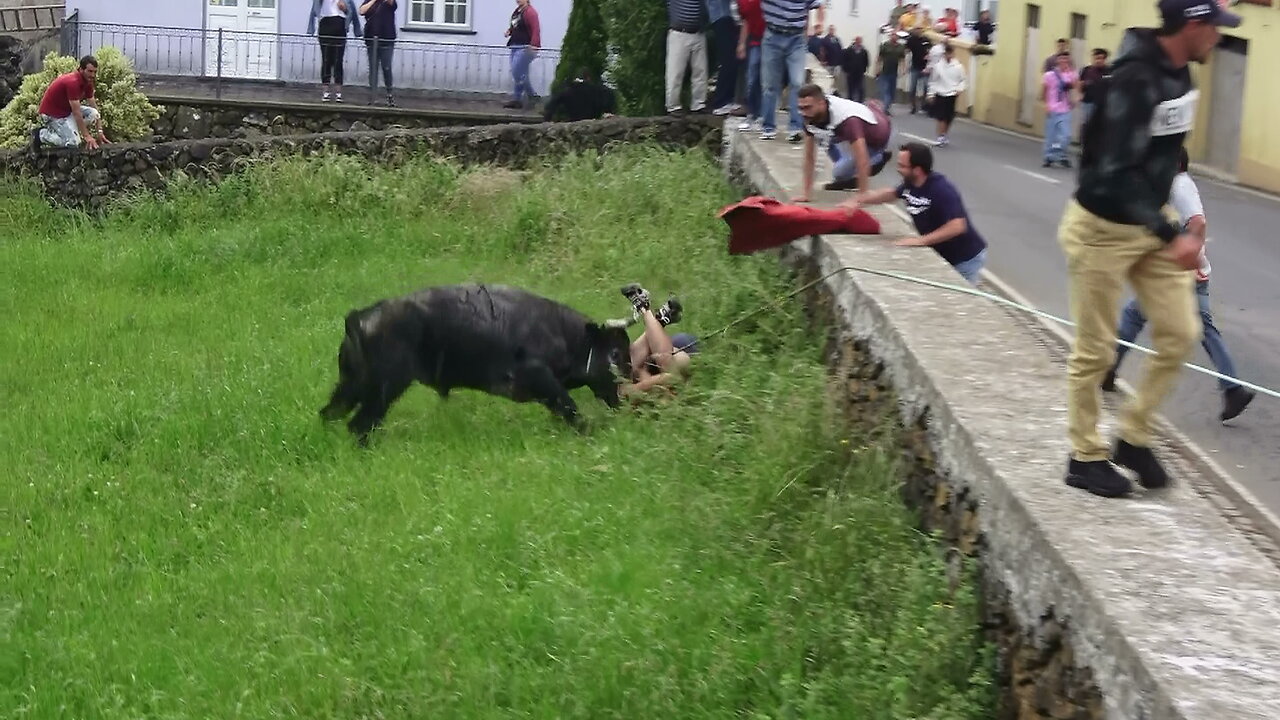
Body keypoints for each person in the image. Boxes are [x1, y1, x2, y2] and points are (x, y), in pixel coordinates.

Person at [1057, 0, 1241, 498]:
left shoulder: (1180, 74)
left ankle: (1134, 438)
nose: (1219, 39)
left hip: (1147, 220)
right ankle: (1084, 456)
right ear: (1193, 25)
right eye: (1216, 28)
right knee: (1095, 351)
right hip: (1101, 223)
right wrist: (1172, 235)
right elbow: (1113, 173)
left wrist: (1165, 225)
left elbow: (1160, 160)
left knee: (1180, 331)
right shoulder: (1137, 79)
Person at [1102, 147, 1255, 423]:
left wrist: (1188, 258)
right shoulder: (1174, 185)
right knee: (1198, 328)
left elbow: (1197, 222)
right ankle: (1233, 389)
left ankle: (1109, 370)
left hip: (1183, 274)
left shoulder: (1179, 185)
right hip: (1186, 272)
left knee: (1136, 315)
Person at [841, 142, 989, 285]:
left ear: (917, 170)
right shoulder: (911, 184)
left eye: (902, 166)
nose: (898, 169)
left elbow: (958, 226)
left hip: (965, 258)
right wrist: (859, 200)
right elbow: (891, 194)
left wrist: (920, 241)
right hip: (944, 253)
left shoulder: (941, 189)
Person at [794, 84, 893, 196]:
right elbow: (809, 157)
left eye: (807, 107)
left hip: (877, 136)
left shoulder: (848, 121)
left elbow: (862, 158)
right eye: (801, 108)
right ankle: (847, 165)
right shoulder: (811, 115)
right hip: (843, 129)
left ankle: (878, 158)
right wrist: (806, 193)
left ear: (821, 103)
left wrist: (862, 196)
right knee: (821, 136)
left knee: (839, 174)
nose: (803, 112)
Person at [758, 0, 825, 142]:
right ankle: (768, 127)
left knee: (797, 82)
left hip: (796, 39)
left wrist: (819, 22)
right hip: (772, 36)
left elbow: (819, 4)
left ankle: (795, 128)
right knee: (770, 85)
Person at [617, 284, 696, 399]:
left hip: (676, 351)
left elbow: (663, 380)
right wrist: (636, 388)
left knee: (629, 366)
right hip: (678, 347)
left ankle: (657, 318)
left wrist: (637, 385)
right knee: (665, 363)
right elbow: (669, 378)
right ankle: (646, 310)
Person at [32, 55, 108, 151]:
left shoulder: (88, 82)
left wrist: (100, 131)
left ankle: (70, 132)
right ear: (81, 69)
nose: (93, 75)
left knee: (94, 114)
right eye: (90, 71)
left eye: (95, 72)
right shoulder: (73, 82)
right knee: (73, 143)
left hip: (67, 111)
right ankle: (41, 135)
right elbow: (77, 113)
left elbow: (94, 107)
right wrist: (87, 136)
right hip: (52, 115)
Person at [308, 0, 362, 103]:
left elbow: (352, 12)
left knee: (338, 60)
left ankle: (338, 92)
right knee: (326, 59)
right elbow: (314, 10)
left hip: (340, 25)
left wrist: (345, 9)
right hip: (325, 25)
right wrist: (311, 28)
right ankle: (326, 91)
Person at [664, 0, 709, 114]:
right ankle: (673, 106)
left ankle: (698, 104)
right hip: (679, 33)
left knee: (700, 71)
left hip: (698, 33)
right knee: (675, 72)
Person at [504, 0, 542, 110]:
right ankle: (524, 98)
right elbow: (515, 26)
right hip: (515, 46)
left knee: (517, 71)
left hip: (525, 47)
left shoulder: (531, 12)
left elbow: (536, 29)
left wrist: (534, 45)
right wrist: (509, 31)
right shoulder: (517, 11)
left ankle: (525, 96)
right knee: (522, 74)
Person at [1041, 52, 1078, 168]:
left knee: (1065, 136)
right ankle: (1049, 156)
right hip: (1052, 108)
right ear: (1057, 60)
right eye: (1061, 59)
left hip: (1065, 109)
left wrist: (1068, 71)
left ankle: (1060, 154)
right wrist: (1046, 105)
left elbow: (1075, 86)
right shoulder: (1049, 75)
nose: (1063, 61)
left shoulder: (1071, 74)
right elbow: (1044, 90)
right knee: (1052, 135)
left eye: (1066, 59)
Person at [734, 0, 766, 131]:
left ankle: (764, 116)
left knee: (767, 81)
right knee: (752, 78)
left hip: (773, 41)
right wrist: (741, 44)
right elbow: (746, 22)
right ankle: (752, 114)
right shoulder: (744, 3)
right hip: (755, 41)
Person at [359, 0, 397, 107]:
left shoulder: (389, 2)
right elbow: (361, 11)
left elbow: (392, 3)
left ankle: (389, 94)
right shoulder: (369, 1)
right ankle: (373, 95)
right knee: (373, 68)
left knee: (386, 67)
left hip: (387, 39)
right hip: (371, 39)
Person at [542, 67, 617, 121]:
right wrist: (608, 111)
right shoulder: (597, 89)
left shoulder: (567, 91)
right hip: (592, 123)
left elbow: (552, 104)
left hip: (574, 122)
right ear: (588, 78)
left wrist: (547, 118)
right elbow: (610, 93)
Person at [927, 42, 965, 147]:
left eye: (950, 53)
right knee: (941, 116)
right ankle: (940, 136)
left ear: (952, 54)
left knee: (949, 117)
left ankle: (944, 135)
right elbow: (933, 81)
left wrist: (959, 89)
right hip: (940, 93)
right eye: (946, 54)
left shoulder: (958, 66)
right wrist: (931, 94)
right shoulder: (938, 66)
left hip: (952, 94)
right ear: (944, 54)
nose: (948, 56)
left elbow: (962, 80)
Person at [875, 30, 906, 113]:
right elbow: (879, 58)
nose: (894, 37)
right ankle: (884, 108)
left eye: (895, 35)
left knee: (892, 91)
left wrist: (903, 69)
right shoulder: (885, 45)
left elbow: (902, 59)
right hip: (884, 71)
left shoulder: (900, 47)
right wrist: (877, 68)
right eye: (892, 35)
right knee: (885, 90)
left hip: (894, 72)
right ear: (890, 36)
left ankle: (887, 107)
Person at [1078, 48, 1109, 128]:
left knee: (1101, 127)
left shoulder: (1109, 71)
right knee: (1087, 125)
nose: (1099, 60)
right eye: (1097, 58)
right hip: (1088, 103)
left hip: (1103, 105)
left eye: (1102, 58)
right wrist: (1080, 94)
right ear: (1093, 58)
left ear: (1105, 59)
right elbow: (1080, 83)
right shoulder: (1086, 70)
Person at [841, 36, 870, 102]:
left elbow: (866, 61)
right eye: (858, 41)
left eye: (860, 41)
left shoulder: (864, 51)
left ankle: (860, 101)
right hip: (850, 73)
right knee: (850, 88)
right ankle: (850, 101)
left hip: (860, 73)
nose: (859, 42)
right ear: (855, 41)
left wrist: (864, 69)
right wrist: (846, 70)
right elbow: (844, 60)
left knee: (860, 88)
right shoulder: (849, 50)